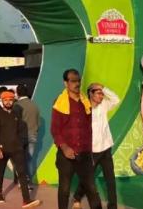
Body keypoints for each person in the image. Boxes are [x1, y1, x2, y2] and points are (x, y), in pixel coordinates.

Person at [50, 69, 102, 209]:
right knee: (64, 189)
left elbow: (88, 129)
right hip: (66, 155)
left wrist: (90, 152)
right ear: (65, 83)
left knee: (91, 189)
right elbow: (55, 129)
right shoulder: (59, 103)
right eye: (73, 81)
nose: (77, 83)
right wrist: (65, 147)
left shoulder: (85, 102)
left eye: (78, 80)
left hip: (84, 154)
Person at [71, 84, 120, 209]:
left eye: (102, 93)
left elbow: (116, 99)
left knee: (110, 179)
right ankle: (77, 197)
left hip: (106, 149)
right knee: (87, 178)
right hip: (92, 151)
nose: (101, 96)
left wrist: (103, 88)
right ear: (91, 94)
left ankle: (112, 206)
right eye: (98, 93)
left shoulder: (104, 105)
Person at [0, 88, 41, 207]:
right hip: (2, 149)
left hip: (17, 149)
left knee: (22, 173)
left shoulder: (17, 114)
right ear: (2, 101)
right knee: (0, 173)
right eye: (5, 100)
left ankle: (26, 200)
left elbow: (21, 131)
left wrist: (21, 145)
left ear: (13, 101)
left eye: (10, 100)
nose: (8, 102)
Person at [15, 84, 40, 184]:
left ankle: (22, 180)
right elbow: (38, 122)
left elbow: (15, 122)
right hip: (33, 134)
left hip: (20, 136)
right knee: (29, 159)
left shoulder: (17, 105)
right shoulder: (34, 105)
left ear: (17, 93)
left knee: (20, 159)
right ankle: (27, 180)